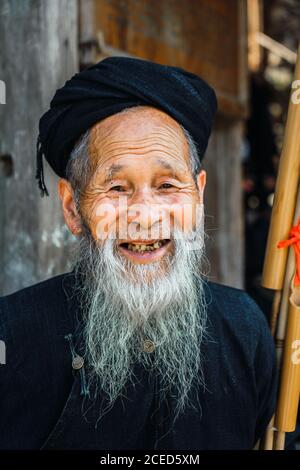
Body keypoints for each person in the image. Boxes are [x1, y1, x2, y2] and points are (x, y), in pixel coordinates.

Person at [0, 57, 277, 450]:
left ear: (197, 195)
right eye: (116, 188)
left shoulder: (244, 330)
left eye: (167, 185)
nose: (145, 216)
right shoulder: (10, 337)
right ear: (72, 208)